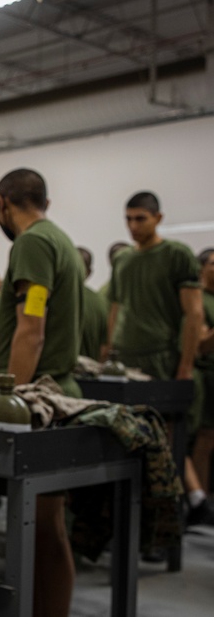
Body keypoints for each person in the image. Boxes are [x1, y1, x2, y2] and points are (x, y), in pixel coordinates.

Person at [0, 168, 84, 617]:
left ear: (2, 201)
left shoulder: (33, 243)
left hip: (39, 400)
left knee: (42, 530)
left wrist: (11, 404)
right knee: (47, 530)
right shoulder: (59, 239)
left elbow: (31, 331)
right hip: (52, 392)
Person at [107, 192, 212, 526]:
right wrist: (108, 353)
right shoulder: (123, 261)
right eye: (129, 218)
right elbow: (116, 310)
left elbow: (193, 314)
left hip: (163, 361)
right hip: (127, 362)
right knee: (130, 443)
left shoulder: (176, 254)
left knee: (164, 446)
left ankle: (167, 519)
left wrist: (183, 367)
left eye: (141, 218)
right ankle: (133, 519)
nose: (133, 225)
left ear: (158, 218)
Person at [193, 248, 214, 498]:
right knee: (206, 439)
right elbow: (201, 344)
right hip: (208, 376)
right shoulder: (199, 299)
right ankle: (200, 500)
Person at [78, 247, 109, 362]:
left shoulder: (57, 298)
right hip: (91, 373)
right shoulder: (101, 301)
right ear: (89, 272)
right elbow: (105, 348)